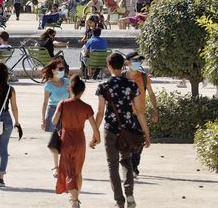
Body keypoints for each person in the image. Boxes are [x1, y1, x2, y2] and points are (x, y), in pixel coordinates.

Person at [94, 53, 151, 208]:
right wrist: (146, 133)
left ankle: (119, 201)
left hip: (110, 129)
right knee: (126, 161)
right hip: (128, 129)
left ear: (109, 66)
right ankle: (130, 194)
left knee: (112, 165)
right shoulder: (131, 85)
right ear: (123, 65)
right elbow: (139, 111)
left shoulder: (103, 86)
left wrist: (95, 132)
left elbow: (99, 112)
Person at [53, 75, 99, 208]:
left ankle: (74, 200)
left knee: (69, 170)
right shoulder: (87, 107)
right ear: (82, 91)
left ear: (70, 89)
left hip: (66, 139)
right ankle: (75, 197)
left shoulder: (63, 103)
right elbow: (94, 127)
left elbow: (54, 121)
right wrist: (96, 139)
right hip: (80, 140)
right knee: (77, 171)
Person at [124, 52, 159, 177]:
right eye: (135, 60)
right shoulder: (122, 76)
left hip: (140, 114)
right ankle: (129, 167)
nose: (137, 63)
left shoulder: (144, 77)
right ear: (127, 62)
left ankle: (134, 166)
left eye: (139, 61)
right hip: (125, 115)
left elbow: (151, 94)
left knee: (139, 142)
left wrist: (155, 109)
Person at [40, 59, 70, 177]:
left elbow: (72, 98)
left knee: (66, 140)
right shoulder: (48, 85)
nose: (63, 71)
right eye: (60, 69)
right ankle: (56, 167)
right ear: (53, 71)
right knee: (55, 140)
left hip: (66, 111)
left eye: (63, 69)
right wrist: (43, 119)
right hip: (53, 111)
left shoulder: (67, 82)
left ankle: (65, 165)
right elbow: (45, 103)